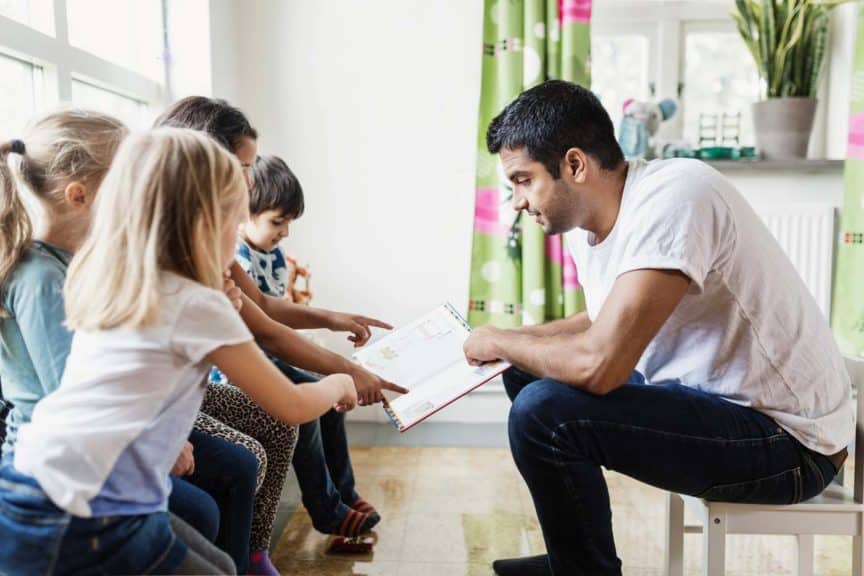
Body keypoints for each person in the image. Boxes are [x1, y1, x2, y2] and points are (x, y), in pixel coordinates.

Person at [463, 80, 854, 576]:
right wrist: (514, 341)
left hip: (790, 444)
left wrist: (500, 340)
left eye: (523, 180)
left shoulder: (677, 197)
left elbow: (601, 367)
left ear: (575, 165)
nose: (516, 200)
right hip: (720, 407)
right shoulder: (591, 223)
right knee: (525, 375)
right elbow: (607, 317)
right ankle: (575, 558)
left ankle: (585, 571)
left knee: (544, 411)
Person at [0, 110, 254, 558]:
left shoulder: (87, 259)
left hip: (112, 438)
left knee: (234, 469)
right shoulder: (40, 277)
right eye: (128, 185)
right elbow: (74, 392)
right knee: (201, 511)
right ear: (79, 195)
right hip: (65, 466)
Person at [155, 97, 407, 543]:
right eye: (243, 167)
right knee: (284, 423)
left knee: (261, 445)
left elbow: (264, 311)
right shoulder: (192, 253)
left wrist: (332, 320)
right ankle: (320, 513)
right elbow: (267, 334)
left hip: (175, 407)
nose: (250, 181)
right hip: (160, 417)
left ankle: (264, 548)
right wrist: (346, 375)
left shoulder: (207, 243)